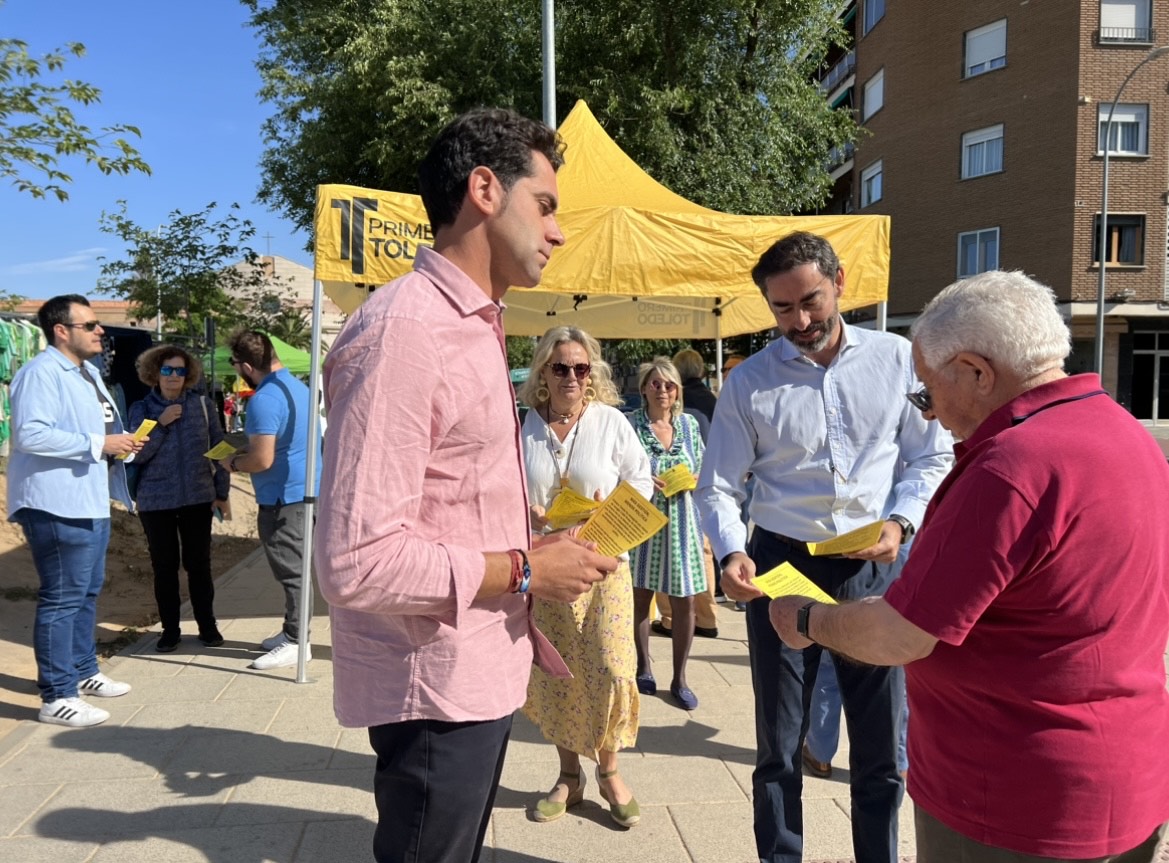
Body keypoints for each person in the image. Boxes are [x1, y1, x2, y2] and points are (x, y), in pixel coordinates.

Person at [769, 270, 1169, 862]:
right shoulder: (1126, 433)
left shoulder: (1010, 468)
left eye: (927, 393)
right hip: (1127, 779)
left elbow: (900, 636)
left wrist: (808, 620)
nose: (930, 415)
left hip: (1013, 801)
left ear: (977, 372)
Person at [314, 108, 621, 863]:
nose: (557, 232)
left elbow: (450, 500)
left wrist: (533, 543)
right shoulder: (406, 330)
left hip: (474, 669)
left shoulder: (474, 323)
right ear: (485, 190)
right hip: (434, 690)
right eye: (544, 206)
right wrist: (524, 569)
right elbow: (355, 561)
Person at [696, 231, 952, 863]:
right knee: (779, 746)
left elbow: (931, 456)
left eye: (810, 301)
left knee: (880, 747)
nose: (800, 322)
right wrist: (730, 552)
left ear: (839, 282)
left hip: (873, 565)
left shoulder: (897, 359)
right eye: (782, 309)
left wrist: (902, 521)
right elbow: (719, 485)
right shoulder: (749, 382)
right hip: (782, 566)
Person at [518, 326, 652, 828]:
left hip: (603, 562)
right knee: (560, 672)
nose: (571, 376)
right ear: (544, 372)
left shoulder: (610, 421)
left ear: (591, 373)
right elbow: (504, 488)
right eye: (561, 367)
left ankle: (609, 770)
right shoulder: (524, 427)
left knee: (613, 667)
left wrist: (609, 511)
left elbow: (641, 479)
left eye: (580, 367)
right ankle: (569, 775)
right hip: (547, 564)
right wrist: (527, 513)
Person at [7, 294, 142, 727]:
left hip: (88, 499)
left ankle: (84, 671)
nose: (100, 330)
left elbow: (100, 428)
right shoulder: (41, 373)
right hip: (55, 502)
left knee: (85, 591)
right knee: (62, 597)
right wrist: (99, 444)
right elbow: (30, 434)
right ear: (61, 331)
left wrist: (121, 444)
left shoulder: (88, 372)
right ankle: (57, 695)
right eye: (90, 325)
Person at [218, 330, 321, 670]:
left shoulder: (264, 398)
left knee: (292, 573)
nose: (236, 369)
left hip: (283, 498)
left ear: (247, 366)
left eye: (235, 364)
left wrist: (233, 463)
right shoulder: (298, 388)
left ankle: (297, 641)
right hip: (306, 490)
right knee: (297, 569)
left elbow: (262, 460)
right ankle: (293, 631)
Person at [129, 345, 231, 653]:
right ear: (155, 373)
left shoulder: (203, 406)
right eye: (167, 370)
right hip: (155, 501)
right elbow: (135, 456)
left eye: (180, 370)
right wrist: (160, 424)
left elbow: (220, 449)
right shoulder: (141, 409)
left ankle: (207, 625)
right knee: (164, 567)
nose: (173, 376)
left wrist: (222, 492)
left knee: (199, 565)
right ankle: (170, 630)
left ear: (188, 375)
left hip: (198, 498)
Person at [628, 357, 707, 711]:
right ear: (644, 388)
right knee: (640, 596)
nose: (663, 390)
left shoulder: (689, 425)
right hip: (642, 521)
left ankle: (680, 678)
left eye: (669, 385)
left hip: (682, 523)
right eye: (656, 384)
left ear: (677, 391)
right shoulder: (631, 425)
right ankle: (643, 666)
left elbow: (704, 467)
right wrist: (643, 480)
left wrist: (694, 478)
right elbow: (618, 469)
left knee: (685, 601)